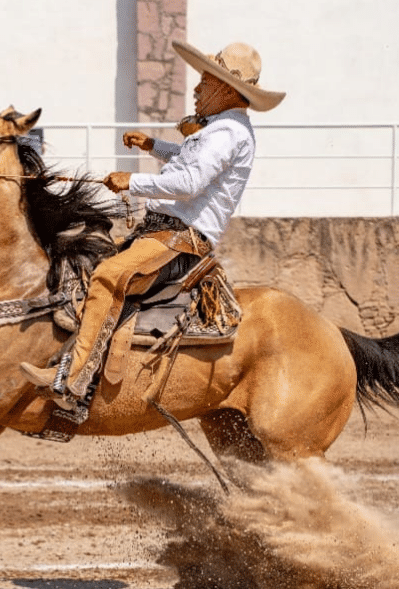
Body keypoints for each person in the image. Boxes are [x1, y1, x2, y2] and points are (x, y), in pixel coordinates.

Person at [20, 39, 285, 407]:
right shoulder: (220, 129)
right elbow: (189, 158)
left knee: (108, 276)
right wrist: (153, 146)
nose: (196, 89)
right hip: (165, 231)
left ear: (226, 89)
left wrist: (133, 181)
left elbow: (189, 183)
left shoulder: (227, 133)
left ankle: (73, 380)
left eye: (205, 82)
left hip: (179, 237)